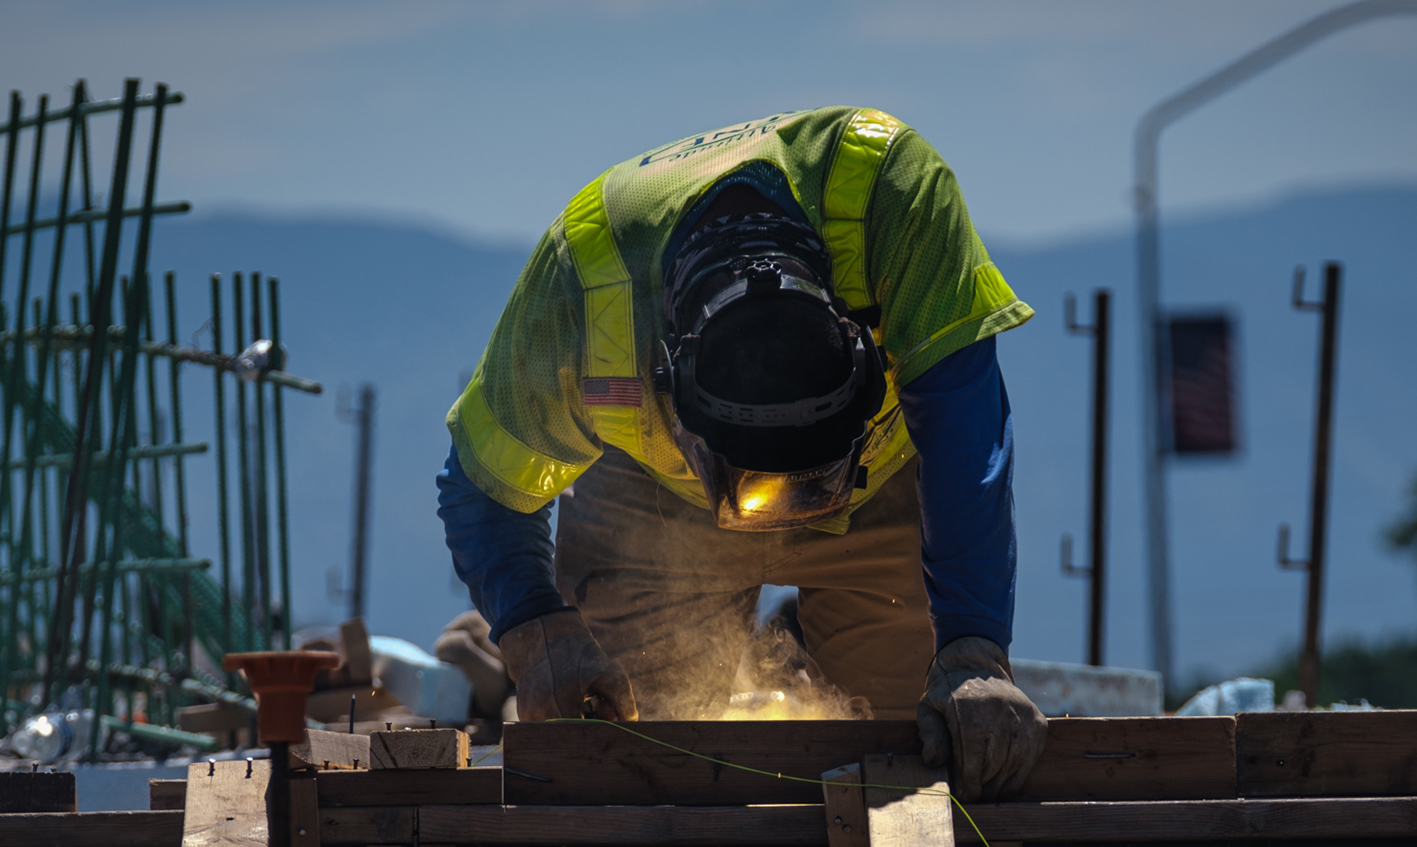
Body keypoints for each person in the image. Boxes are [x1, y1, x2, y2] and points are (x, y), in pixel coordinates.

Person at [436, 106, 1047, 800]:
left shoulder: (891, 192)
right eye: (762, 491)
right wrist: (535, 630)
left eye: (808, 487)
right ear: (674, 399)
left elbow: (965, 436)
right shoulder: (582, 278)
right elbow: (481, 484)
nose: (784, 519)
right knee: (637, 763)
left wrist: (972, 648)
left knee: (905, 759)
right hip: (655, 506)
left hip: (878, 485)